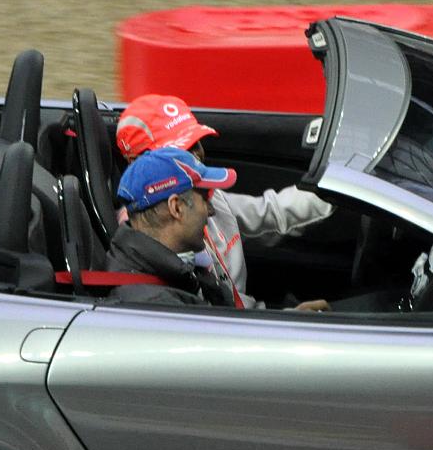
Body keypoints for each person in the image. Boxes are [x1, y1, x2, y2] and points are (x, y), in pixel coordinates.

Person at [116, 94, 332, 310]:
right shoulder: (152, 246)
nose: (197, 155)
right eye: (180, 148)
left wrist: (337, 188)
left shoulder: (209, 196)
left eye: (196, 142)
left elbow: (272, 213)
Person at [106, 147, 239, 307]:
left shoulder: (170, 270)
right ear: (176, 208)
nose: (211, 211)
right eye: (204, 199)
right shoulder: (159, 307)